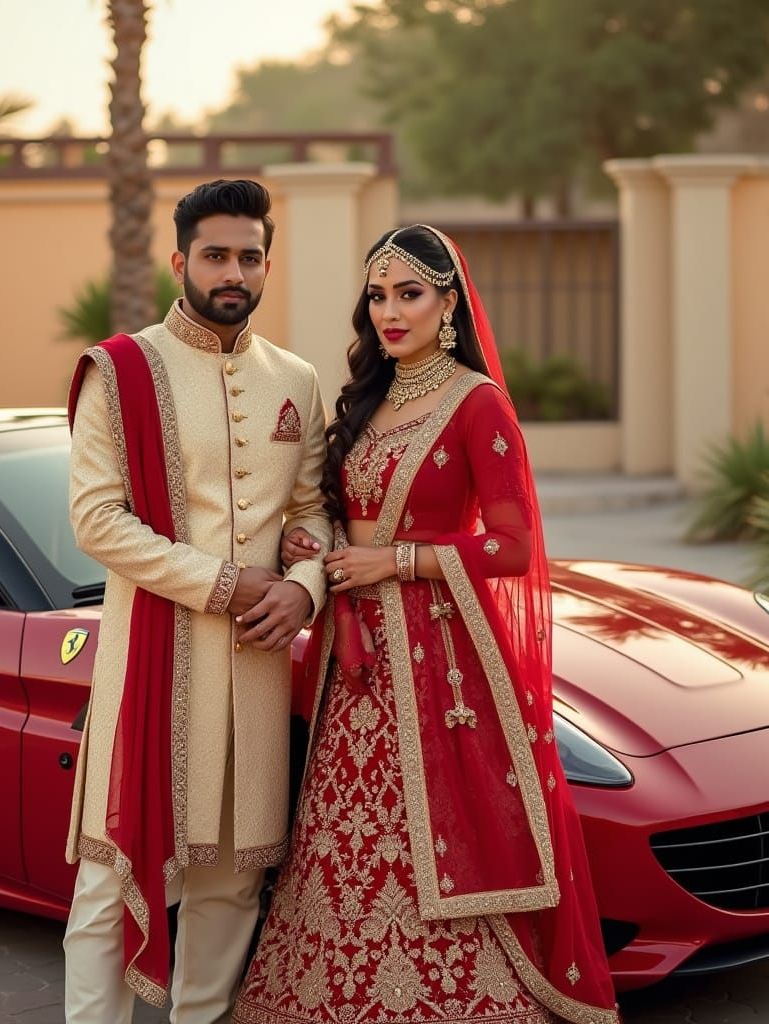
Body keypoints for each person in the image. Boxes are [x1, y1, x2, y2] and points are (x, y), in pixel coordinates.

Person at [233, 225, 620, 1024]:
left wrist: (397, 562)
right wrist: (327, 544)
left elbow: (512, 547)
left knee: (436, 835)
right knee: (346, 844)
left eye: (408, 293)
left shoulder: (479, 405)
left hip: (442, 661)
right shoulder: (369, 399)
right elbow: (350, 518)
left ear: (450, 301)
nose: (389, 312)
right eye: (377, 295)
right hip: (356, 665)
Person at [62, 179, 332, 1024]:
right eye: (216, 255)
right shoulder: (123, 370)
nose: (234, 272)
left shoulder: (296, 378)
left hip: (252, 673)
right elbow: (96, 521)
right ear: (180, 261)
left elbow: (315, 510)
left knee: (232, 883)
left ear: (266, 266)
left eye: (249, 257)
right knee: (111, 882)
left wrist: (304, 589)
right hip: (148, 665)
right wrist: (224, 583)